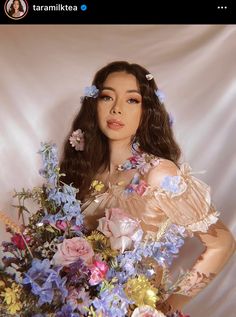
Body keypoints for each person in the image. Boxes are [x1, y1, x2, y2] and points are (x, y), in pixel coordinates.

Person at [59, 61, 235, 314]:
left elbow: (223, 244)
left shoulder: (158, 173)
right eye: (107, 97)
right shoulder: (86, 172)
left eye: (132, 100)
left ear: (146, 111)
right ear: (94, 104)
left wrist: (168, 307)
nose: (117, 109)